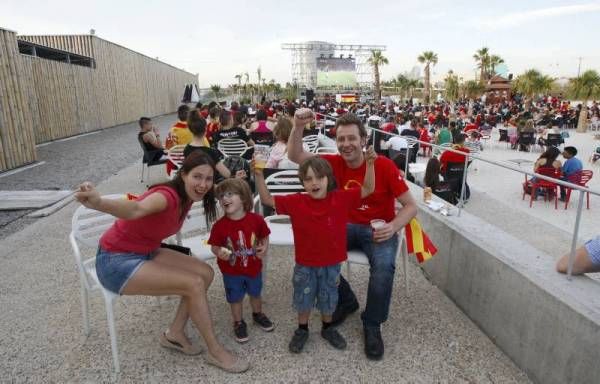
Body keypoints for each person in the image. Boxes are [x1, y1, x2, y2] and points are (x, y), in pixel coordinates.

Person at [74, 152, 249, 373]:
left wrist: (240, 183)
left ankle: (174, 334)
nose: (203, 184)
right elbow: (136, 208)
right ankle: (215, 351)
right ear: (183, 174)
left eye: (208, 178)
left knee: (205, 273)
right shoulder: (167, 196)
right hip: (115, 261)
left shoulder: (191, 194)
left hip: (145, 250)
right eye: (197, 176)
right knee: (193, 283)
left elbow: (225, 193)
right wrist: (99, 203)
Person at [287, 109, 417, 360]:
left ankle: (372, 323)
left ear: (363, 140)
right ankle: (346, 300)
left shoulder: (384, 166)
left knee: (383, 267)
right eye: (341, 139)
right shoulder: (332, 164)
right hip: (342, 227)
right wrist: (297, 126)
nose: (346, 144)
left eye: (351, 138)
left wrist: (393, 226)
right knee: (315, 250)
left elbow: (411, 206)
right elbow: (295, 155)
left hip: (377, 228)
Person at [254, 151, 376, 354]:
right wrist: (258, 175)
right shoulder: (296, 201)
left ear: (329, 179)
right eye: (308, 179)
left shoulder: (341, 198)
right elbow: (267, 199)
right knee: (303, 297)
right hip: (305, 264)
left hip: (332, 263)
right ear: (302, 182)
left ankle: (327, 328)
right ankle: (302, 329)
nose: (314, 182)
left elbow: (368, 189)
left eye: (319, 177)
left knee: (329, 298)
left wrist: (370, 164)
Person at [208, 179, 273, 344]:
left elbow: (264, 236)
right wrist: (219, 252)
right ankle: (238, 322)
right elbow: (214, 246)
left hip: (253, 267)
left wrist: (264, 247)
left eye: (230, 194)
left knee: (255, 293)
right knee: (235, 298)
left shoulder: (256, 220)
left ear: (244, 197)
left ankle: (257, 314)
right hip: (231, 272)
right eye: (221, 196)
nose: (224, 199)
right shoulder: (219, 226)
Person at [183, 111, 242, 180]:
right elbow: (227, 174)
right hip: (209, 185)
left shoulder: (186, 150)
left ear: (191, 130)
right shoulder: (210, 152)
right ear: (205, 129)